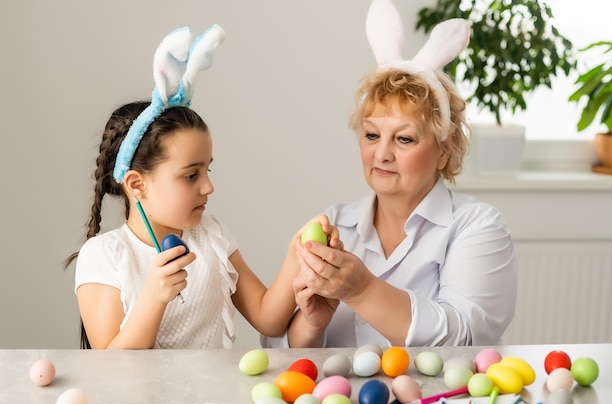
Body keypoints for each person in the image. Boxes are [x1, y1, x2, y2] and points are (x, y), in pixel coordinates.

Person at [65, 25, 339, 349]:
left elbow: (268, 318)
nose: (209, 187)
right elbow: (111, 369)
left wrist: (298, 253)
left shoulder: (212, 236)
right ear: (137, 184)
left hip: (214, 399)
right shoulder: (104, 256)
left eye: (207, 170)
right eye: (191, 175)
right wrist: (153, 298)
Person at [263, 1, 517, 348]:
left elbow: (466, 337)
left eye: (404, 138)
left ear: (445, 147)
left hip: (437, 402)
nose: (381, 153)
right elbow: (275, 348)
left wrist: (363, 290)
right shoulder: (335, 225)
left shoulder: (477, 227)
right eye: (371, 135)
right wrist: (312, 324)